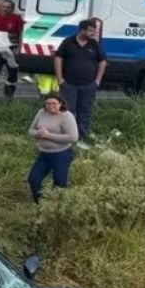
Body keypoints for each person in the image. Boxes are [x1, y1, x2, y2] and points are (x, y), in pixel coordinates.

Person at [54, 18, 106, 148]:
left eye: (95, 31)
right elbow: (58, 58)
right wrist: (60, 79)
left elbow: (102, 62)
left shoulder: (95, 45)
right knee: (67, 111)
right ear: (82, 30)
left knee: (85, 112)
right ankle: (66, 138)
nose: (93, 33)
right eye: (90, 31)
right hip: (69, 85)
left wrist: (97, 81)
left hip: (88, 86)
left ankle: (82, 138)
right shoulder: (68, 42)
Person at [26, 93, 78, 202]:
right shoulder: (41, 113)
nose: (50, 106)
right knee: (33, 179)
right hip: (44, 153)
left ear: (61, 104)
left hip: (61, 154)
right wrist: (38, 133)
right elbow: (31, 130)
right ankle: (40, 203)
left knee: (59, 183)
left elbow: (73, 137)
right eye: (48, 103)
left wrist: (49, 135)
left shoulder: (66, 116)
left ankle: (58, 206)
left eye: (54, 103)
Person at [0, 0, 24, 99]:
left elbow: (21, 33)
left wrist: (19, 47)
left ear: (12, 8)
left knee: (12, 73)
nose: (5, 9)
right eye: (3, 7)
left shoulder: (17, 19)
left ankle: (8, 94)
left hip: (12, 50)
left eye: (8, 7)